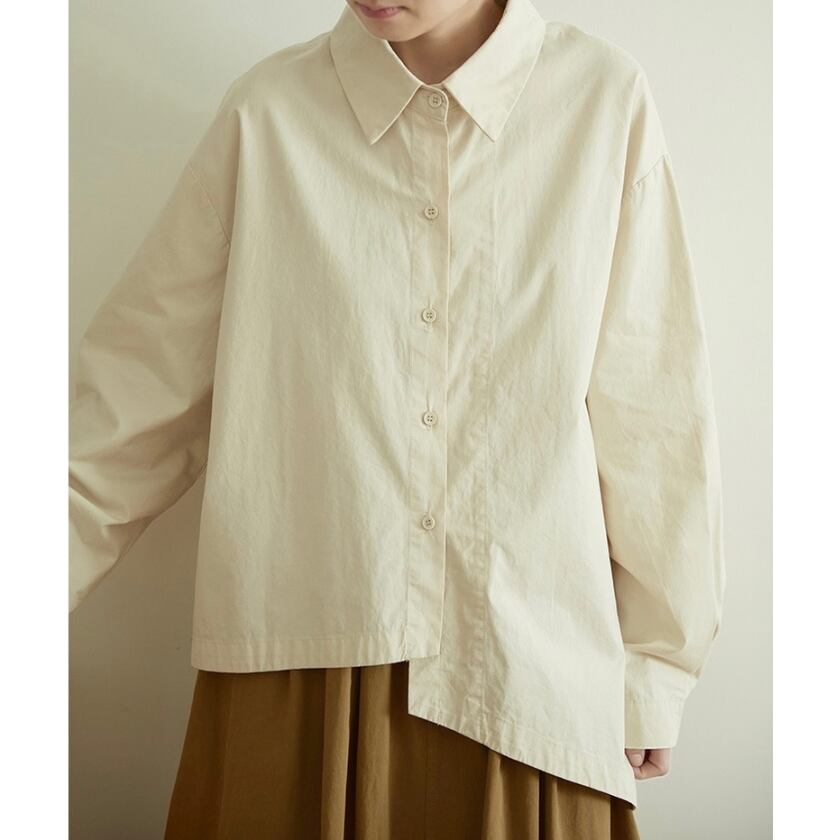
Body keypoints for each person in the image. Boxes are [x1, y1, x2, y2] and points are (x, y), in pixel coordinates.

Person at [69, 1, 726, 837]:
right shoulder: (268, 114)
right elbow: (130, 402)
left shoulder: (601, 101)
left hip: (526, 681)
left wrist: (656, 669)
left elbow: (655, 413)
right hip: (296, 660)